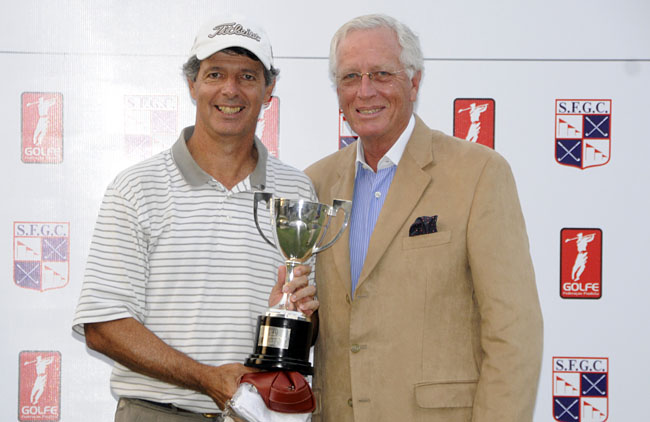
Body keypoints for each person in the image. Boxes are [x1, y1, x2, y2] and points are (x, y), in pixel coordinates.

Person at [72, 14, 318, 421]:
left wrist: (291, 316)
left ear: (269, 89)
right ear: (192, 84)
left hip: (259, 415)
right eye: (215, 73)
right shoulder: (137, 187)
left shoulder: (297, 192)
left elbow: (309, 331)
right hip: (157, 412)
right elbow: (104, 324)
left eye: (248, 76)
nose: (230, 89)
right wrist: (206, 378)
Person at [305, 14, 543, 422]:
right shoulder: (315, 183)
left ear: (414, 83)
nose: (365, 91)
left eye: (381, 74)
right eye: (350, 77)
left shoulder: (478, 174)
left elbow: (513, 333)